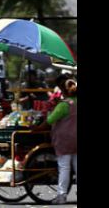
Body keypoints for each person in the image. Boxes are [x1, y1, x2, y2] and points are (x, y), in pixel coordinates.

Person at [34, 75, 77, 205]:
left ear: (63, 90)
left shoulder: (63, 105)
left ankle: (61, 195)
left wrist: (35, 129)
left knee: (64, 168)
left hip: (64, 140)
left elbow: (49, 121)